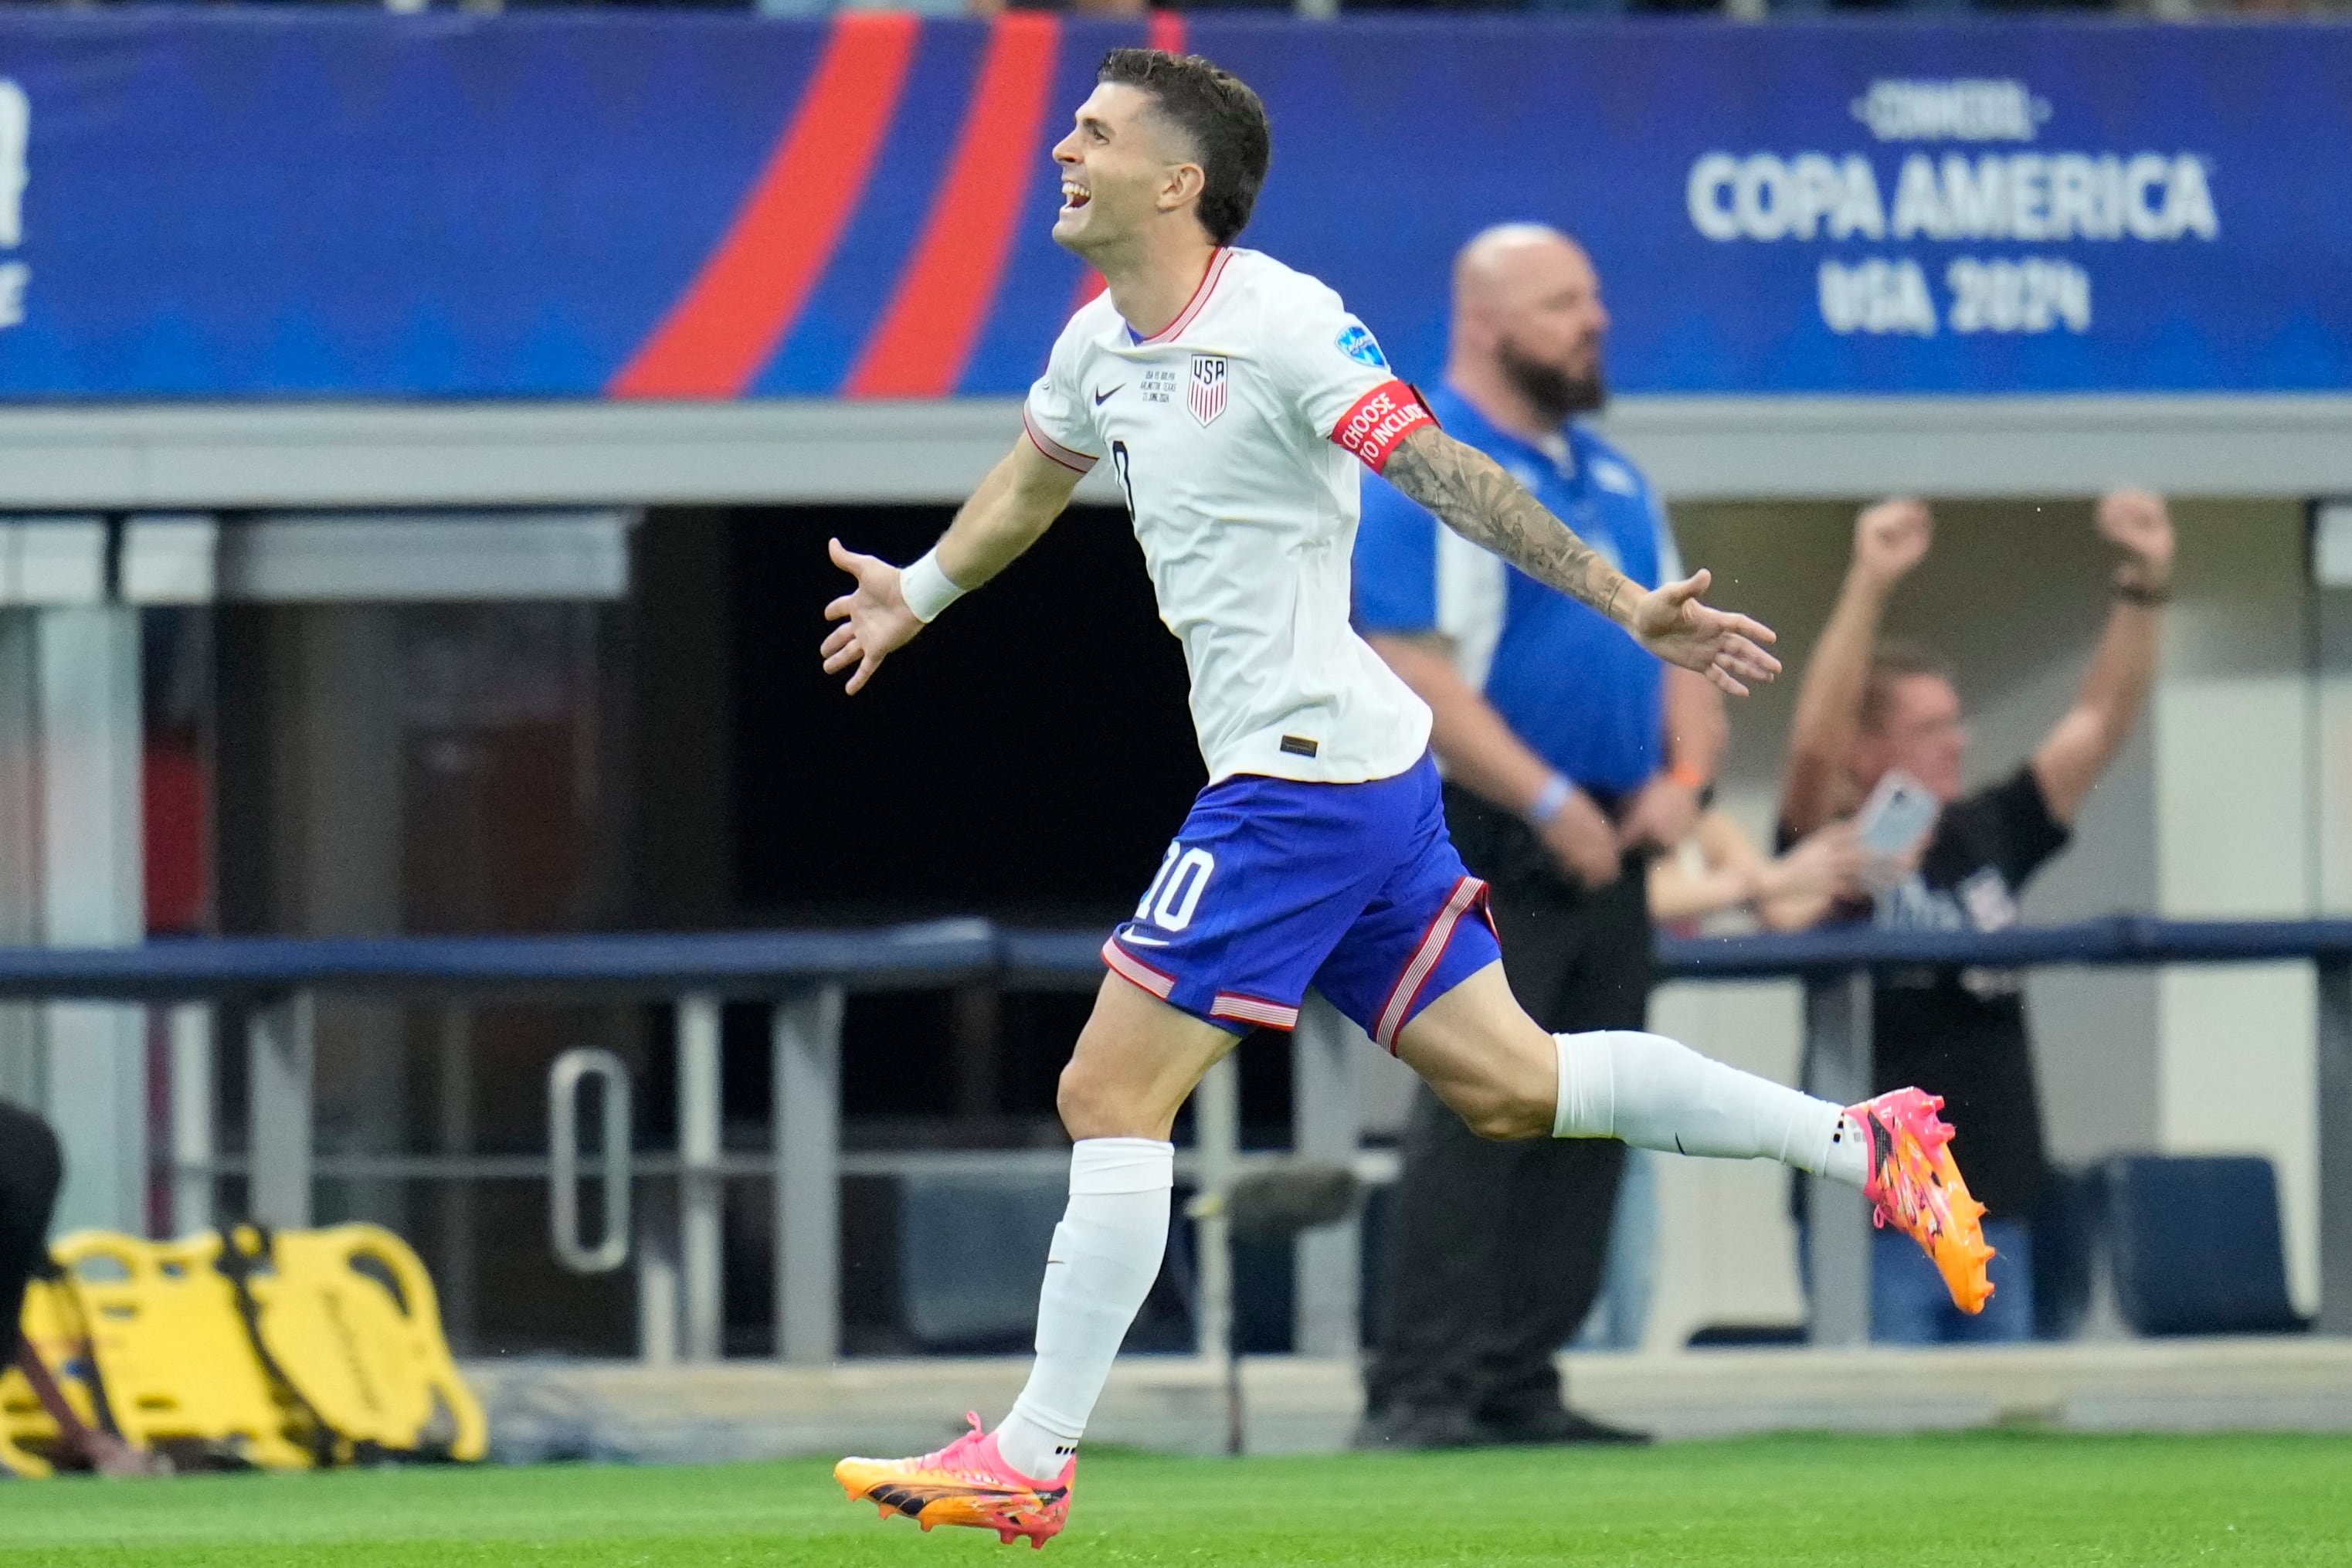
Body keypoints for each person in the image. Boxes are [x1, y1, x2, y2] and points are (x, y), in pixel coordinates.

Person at [822, 49, 1990, 1547]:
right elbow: (1032, 483)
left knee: (1104, 1094)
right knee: (1513, 1083)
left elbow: (1446, 475)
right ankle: (1866, 1142)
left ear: (1177, 182)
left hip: (1299, 778)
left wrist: (1625, 600)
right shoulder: (1099, 340)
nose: (1062, 146)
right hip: (1361, 772)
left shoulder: (1286, 323)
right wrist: (917, 592)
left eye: (1094, 131)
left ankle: (1033, 1453)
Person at [1349, 222, 1726, 1448]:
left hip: (1615, 843)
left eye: (1596, 295)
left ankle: (1521, 1376)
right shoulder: (1428, 465)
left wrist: (1686, 779)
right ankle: (1423, 1386)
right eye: (1565, 302)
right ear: (1489, 321)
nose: (1594, 320)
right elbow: (1405, 656)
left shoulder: (1615, 480)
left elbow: (1683, 643)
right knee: (1476, 1106)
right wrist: (1547, 801)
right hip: (1487, 834)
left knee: (1595, 1110)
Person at [1777, 491, 2174, 1344]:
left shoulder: (1985, 829)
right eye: (1928, 729)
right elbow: (1814, 743)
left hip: (1999, 1204)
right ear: (1870, 748)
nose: (1956, 742)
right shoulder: (1833, 847)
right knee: (1888, 1455)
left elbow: (2099, 724)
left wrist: (2143, 585)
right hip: (1877, 1214)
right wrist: (1869, 582)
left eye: (1955, 723)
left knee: (2005, 1440)